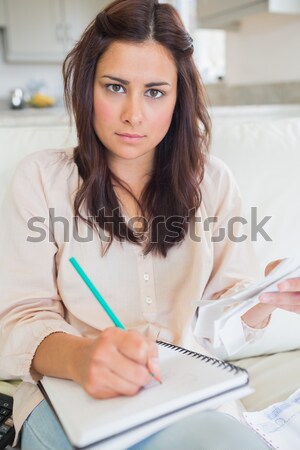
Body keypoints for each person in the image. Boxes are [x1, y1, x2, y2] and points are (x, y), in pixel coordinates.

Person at [0, 1, 299, 449]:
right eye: (115, 87)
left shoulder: (213, 183)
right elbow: (18, 322)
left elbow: (219, 327)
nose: (133, 115)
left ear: (179, 98)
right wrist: (83, 358)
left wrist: (263, 300)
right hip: (69, 396)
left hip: (185, 396)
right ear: (86, 88)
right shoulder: (41, 179)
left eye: (155, 91)